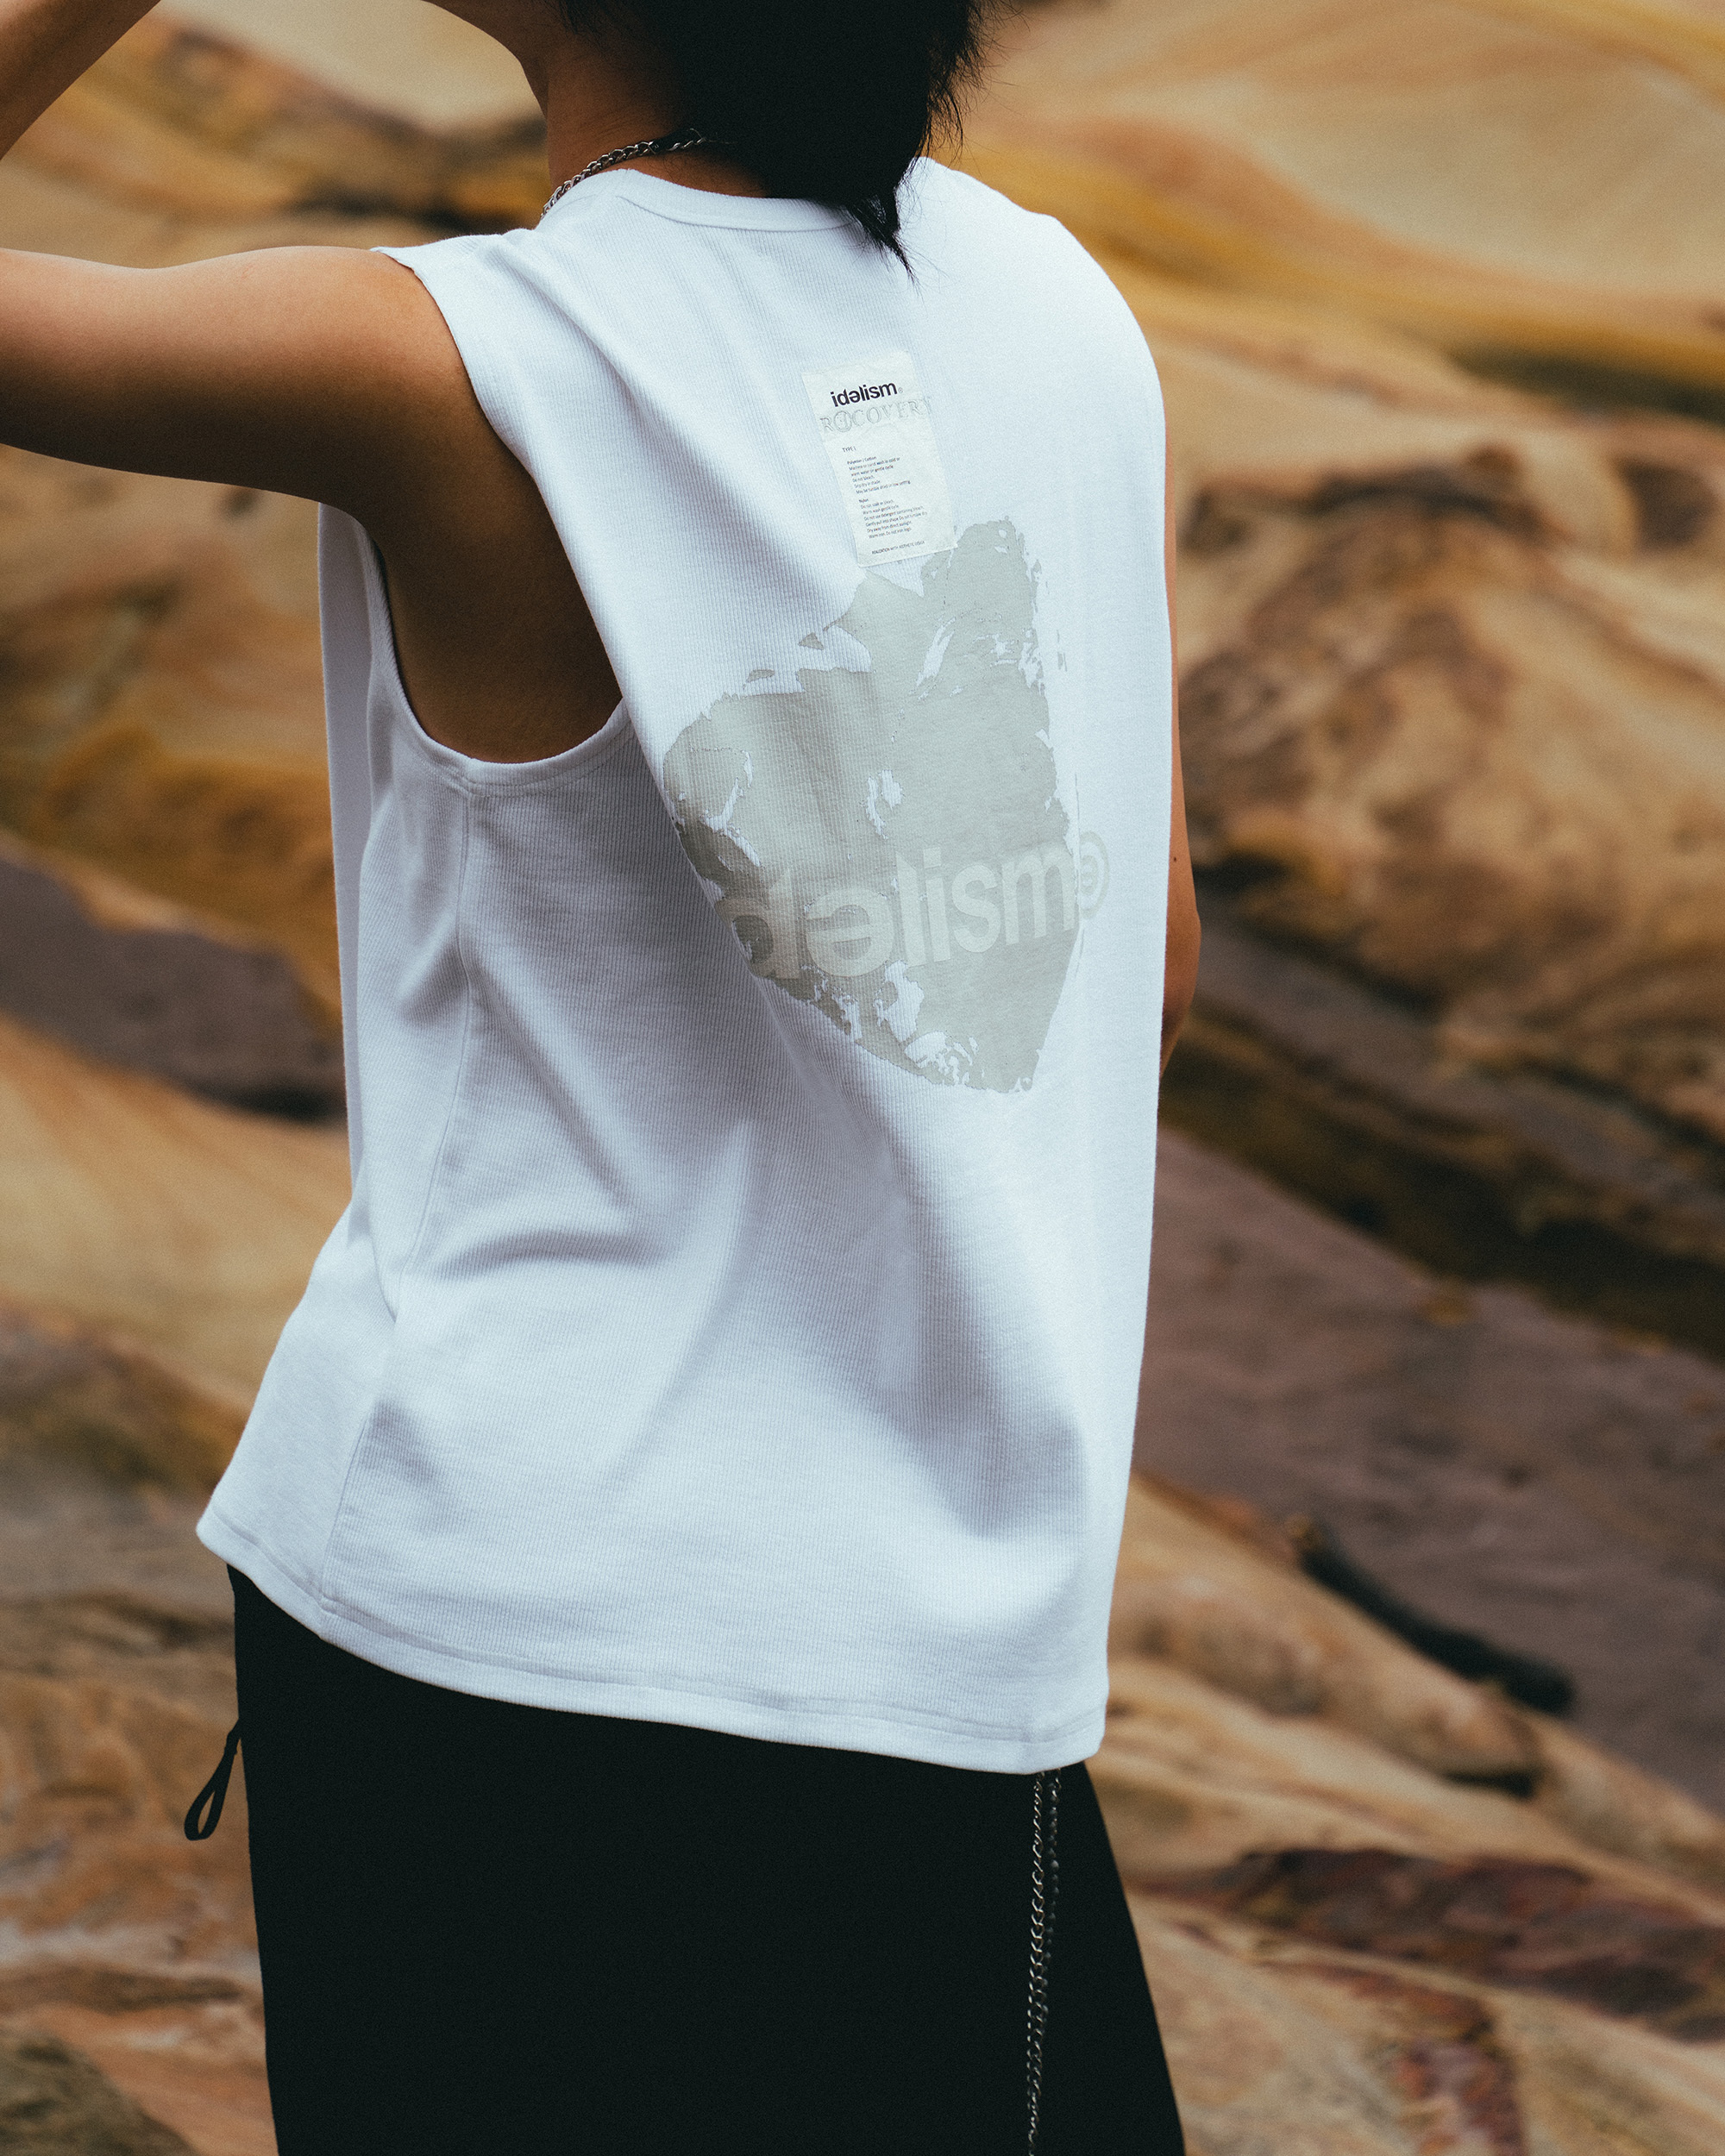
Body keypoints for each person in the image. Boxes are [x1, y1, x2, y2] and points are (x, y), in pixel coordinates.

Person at [1, 0, 1202, 2147]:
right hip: (943, 1641)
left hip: (491, 1624)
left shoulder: (458, 364)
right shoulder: (1058, 306)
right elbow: (1148, 970)